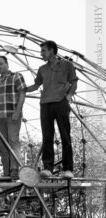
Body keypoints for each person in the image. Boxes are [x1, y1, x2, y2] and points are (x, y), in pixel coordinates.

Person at [26, 40, 78, 178]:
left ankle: (68, 169)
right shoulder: (42, 69)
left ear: (52, 51)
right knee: (47, 136)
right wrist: (23, 89)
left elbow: (74, 81)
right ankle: (47, 167)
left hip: (61, 102)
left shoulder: (67, 65)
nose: (41, 53)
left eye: (43, 50)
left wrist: (69, 96)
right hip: (45, 104)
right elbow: (36, 85)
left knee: (65, 135)